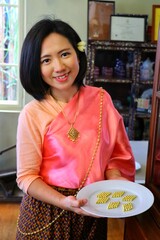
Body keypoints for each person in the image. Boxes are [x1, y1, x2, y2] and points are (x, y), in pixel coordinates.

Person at [16, 18, 135, 240]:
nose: (59, 67)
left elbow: (115, 157)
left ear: (78, 53)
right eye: (46, 60)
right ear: (34, 66)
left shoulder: (101, 100)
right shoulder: (32, 114)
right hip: (46, 212)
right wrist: (63, 201)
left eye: (64, 54)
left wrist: (115, 179)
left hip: (92, 207)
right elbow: (26, 177)